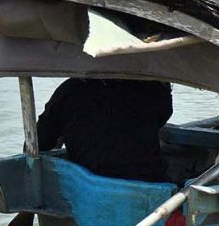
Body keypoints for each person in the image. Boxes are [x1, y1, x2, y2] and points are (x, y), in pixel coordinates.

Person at [35, 78, 173, 182]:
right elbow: (163, 116)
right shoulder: (152, 87)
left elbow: (37, 143)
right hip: (149, 186)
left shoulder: (69, 90)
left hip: (85, 189)